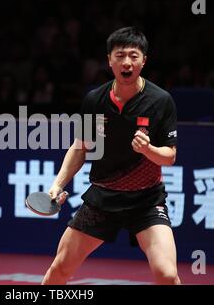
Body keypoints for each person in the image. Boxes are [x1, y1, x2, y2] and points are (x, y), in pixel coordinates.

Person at [42, 26, 181, 285]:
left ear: (143, 61)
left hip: (146, 200)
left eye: (133, 55)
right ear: (109, 60)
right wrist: (57, 184)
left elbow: (169, 156)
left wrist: (148, 150)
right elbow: (80, 147)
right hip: (102, 198)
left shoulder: (161, 101)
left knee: (167, 274)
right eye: (119, 55)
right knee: (60, 268)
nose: (126, 62)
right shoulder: (94, 101)